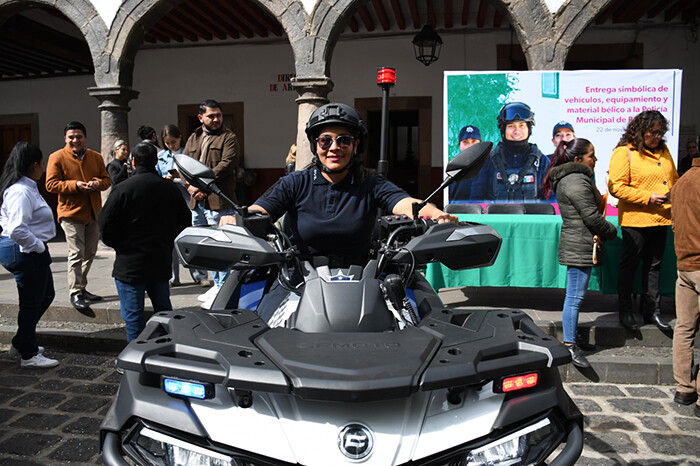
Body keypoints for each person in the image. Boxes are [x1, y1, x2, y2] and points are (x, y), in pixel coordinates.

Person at [220, 103, 457, 320]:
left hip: (367, 277)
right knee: (260, 326)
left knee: (417, 322)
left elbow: (405, 203)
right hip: (299, 277)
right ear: (315, 145)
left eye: (344, 140)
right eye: (325, 141)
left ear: (355, 146)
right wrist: (237, 219)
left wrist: (435, 214)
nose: (334, 148)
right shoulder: (294, 183)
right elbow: (260, 210)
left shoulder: (371, 183)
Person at [98, 142, 191, 342]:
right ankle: (167, 352)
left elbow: (105, 223)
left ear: (133, 161)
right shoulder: (169, 189)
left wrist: (119, 244)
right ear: (156, 162)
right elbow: (185, 221)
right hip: (159, 259)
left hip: (130, 263)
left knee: (133, 317)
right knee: (164, 313)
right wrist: (167, 240)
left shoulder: (123, 189)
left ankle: (135, 360)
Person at [543, 138, 617, 368]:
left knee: (576, 296)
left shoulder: (576, 178)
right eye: (591, 155)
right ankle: (569, 345)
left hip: (580, 242)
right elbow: (591, 217)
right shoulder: (575, 180)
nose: (595, 159)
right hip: (579, 243)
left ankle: (573, 339)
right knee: (574, 298)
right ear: (578, 159)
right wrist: (611, 231)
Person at [608, 110, 678, 331]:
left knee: (655, 266)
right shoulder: (624, 152)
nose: (658, 136)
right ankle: (626, 311)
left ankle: (652, 312)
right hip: (636, 219)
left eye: (661, 132)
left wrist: (673, 193)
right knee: (629, 266)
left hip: (662, 218)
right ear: (641, 130)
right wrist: (648, 197)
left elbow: (674, 179)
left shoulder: (664, 151)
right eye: (653, 132)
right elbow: (616, 187)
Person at [0, 142, 59, 368]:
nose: (43, 168)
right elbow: (16, 228)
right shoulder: (21, 191)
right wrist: (38, 246)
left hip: (31, 249)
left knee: (46, 295)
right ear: (34, 165)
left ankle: (22, 340)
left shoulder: (26, 187)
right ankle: (29, 354)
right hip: (26, 250)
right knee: (30, 303)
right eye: (42, 164)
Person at [45, 121, 110, 313]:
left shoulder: (95, 157)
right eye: (71, 137)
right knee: (76, 252)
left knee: (90, 252)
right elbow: (51, 184)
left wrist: (96, 183)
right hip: (70, 212)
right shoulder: (56, 157)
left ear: (85, 138)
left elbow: (106, 180)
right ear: (65, 138)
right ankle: (75, 291)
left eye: (79, 137)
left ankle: (82, 287)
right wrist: (76, 185)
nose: (75, 140)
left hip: (92, 211)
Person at [183, 99, 239, 309]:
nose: (216, 119)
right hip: (196, 202)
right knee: (205, 246)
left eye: (219, 115)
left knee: (221, 246)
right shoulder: (194, 137)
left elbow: (226, 165)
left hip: (218, 200)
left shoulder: (229, 137)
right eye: (211, 116)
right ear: (201, 118)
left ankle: (224, 288)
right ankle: (216, 285)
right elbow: (183, 163)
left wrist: (201, 186)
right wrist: (190, 186)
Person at [670, 143, 700, 416]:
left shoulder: (681, 182)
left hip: (685, 265)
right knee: (685, 327)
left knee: (685, 327)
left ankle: (684, 387)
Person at [156, 124, 205, 287]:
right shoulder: (161, 156)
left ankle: (199, 275)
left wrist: (181, 179)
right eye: (167, 143)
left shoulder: (188, 154)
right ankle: (172, 276)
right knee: (170, 239)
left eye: (174, 142)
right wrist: (166, 179)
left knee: (192, 237)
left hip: (188, 198)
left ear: (180, 137)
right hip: (169, 198)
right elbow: (156, 177)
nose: (171, 145)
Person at [470, 102, 550, 202]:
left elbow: (552, 201)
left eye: (522, 125)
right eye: (511, 126)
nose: (517, 131)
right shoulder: (487, 161)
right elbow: (475, 201)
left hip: (533, 217)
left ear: (529, 129)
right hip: (495, 217)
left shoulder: (542, 162)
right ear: (503, 130)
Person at [448, 125, 481, 201]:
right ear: (459, 146)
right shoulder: (453, 168)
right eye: (465, 142)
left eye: (474, 141)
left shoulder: (490, 166)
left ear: (480, 144)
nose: (470, 146)